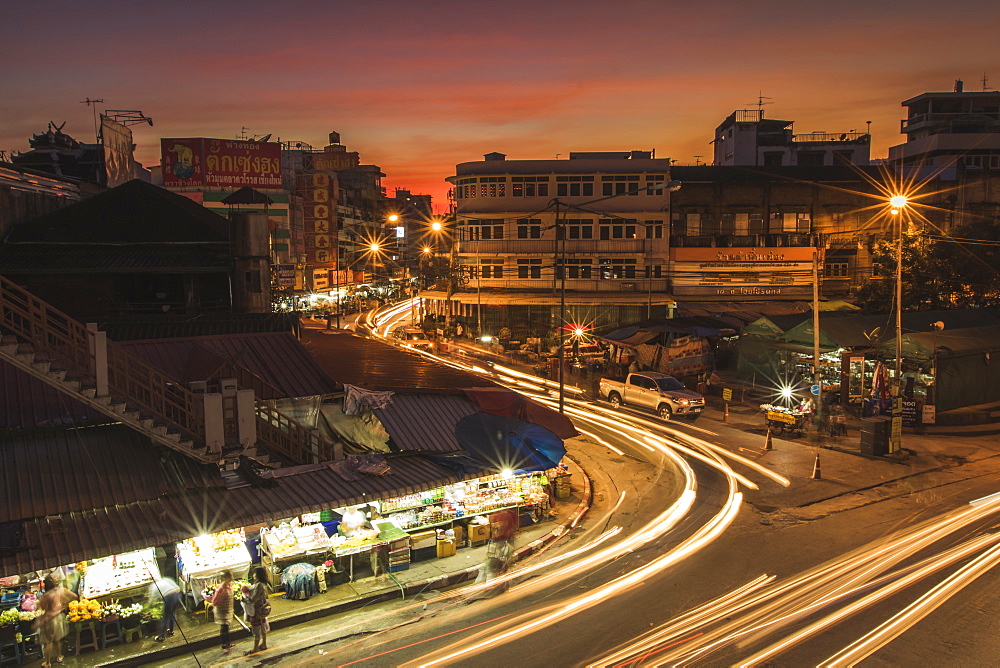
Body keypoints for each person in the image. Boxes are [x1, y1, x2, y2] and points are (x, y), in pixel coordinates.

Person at [36, 575, 76, 667]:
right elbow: (73, 595)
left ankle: (47, 662)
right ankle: (59, 656)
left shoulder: (46, 595)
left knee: (48, 642)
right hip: (59, 617)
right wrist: (64, 603)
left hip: (50, 619)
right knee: (57, 639)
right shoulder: (60, 590)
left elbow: (43, 607)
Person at [245, 567, 270, 655]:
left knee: (256, 629)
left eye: (254, 573)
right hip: (261, 610)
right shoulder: (263, 584)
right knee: (262, 627)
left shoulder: (258, 585)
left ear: (258, 575)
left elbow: (253, 599)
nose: (253, 575)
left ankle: (255, 648)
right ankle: (264, 644)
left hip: (256, 611)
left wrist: (244, 598)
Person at [209, 570, 236, 654]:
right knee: (224, 629)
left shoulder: (228, 585)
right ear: (225, 578)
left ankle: (226, 644)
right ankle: (226, 645)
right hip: (222, 611)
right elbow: (216, 599)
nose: (232, 577)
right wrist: (213, 606)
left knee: (225, 628)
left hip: (227, 609)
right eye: (230, 576)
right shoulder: (221, 588)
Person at [148, 576, 181, 642]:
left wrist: (149, 608)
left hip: (169, 597)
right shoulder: (166, 579)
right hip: (177, 594)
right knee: (172, 613)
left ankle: (161, 636)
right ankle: (171, 631)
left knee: (165, 617)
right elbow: (177, 587)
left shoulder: (154, 586)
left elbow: (152, 599)